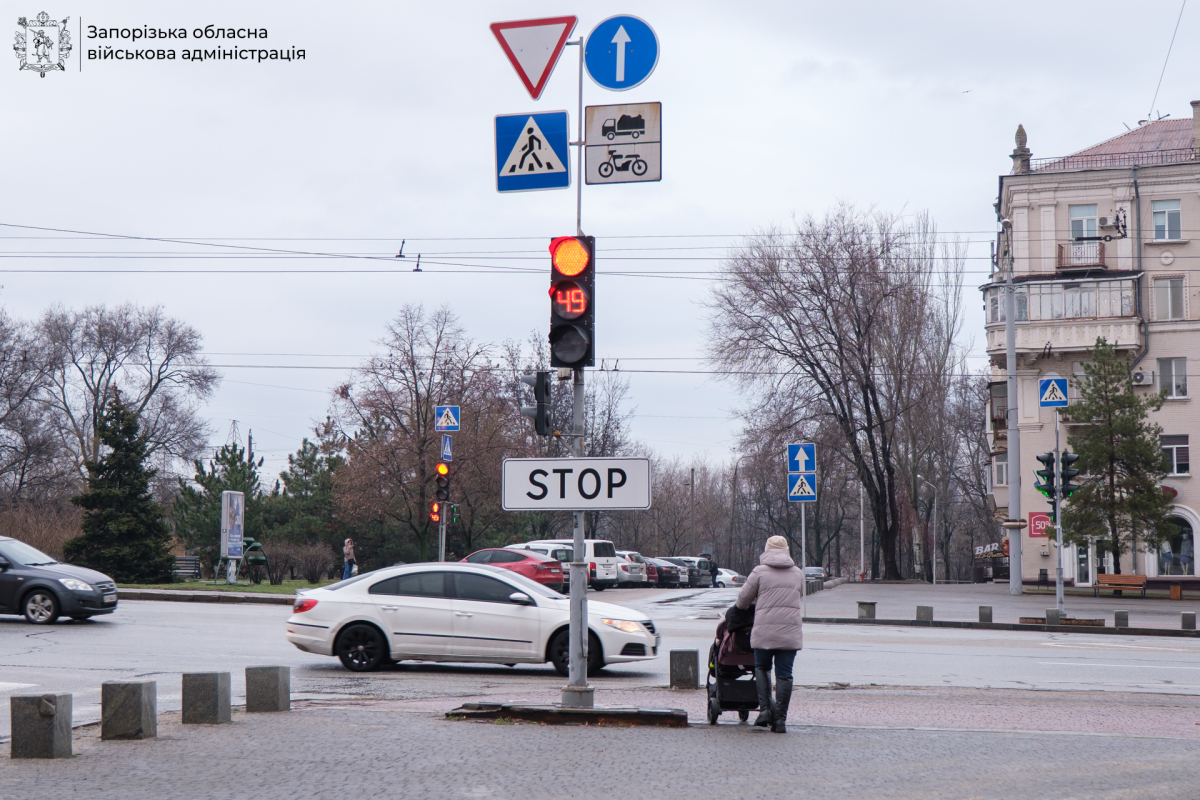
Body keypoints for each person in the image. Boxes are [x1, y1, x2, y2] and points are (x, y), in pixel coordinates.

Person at [735, 535, 803, 733]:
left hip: (764, 633)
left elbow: (742, 600)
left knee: (762, 668)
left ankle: (765, 710)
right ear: (786, 551)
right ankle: (780, 720)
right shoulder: (797, 573)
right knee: (785, 675)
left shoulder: (759, 572)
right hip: (789, 633)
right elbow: (799, 594)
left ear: (766, 550)